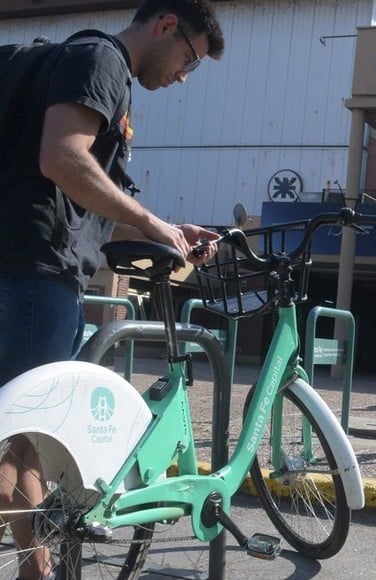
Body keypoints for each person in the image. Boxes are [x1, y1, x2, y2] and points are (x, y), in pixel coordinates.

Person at [0, 1, 224, 577]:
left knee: (29, 436)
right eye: (189, 60)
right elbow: (62, 158)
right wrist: (154, 225)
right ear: (166, 25)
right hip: (34, 274)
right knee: (17, 442)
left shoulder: (90, 71)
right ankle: (37, 569)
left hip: (38, 272)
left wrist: (168, 228)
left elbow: (91, 201)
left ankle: (37, 569)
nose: (181, 77)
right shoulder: (101, 58)